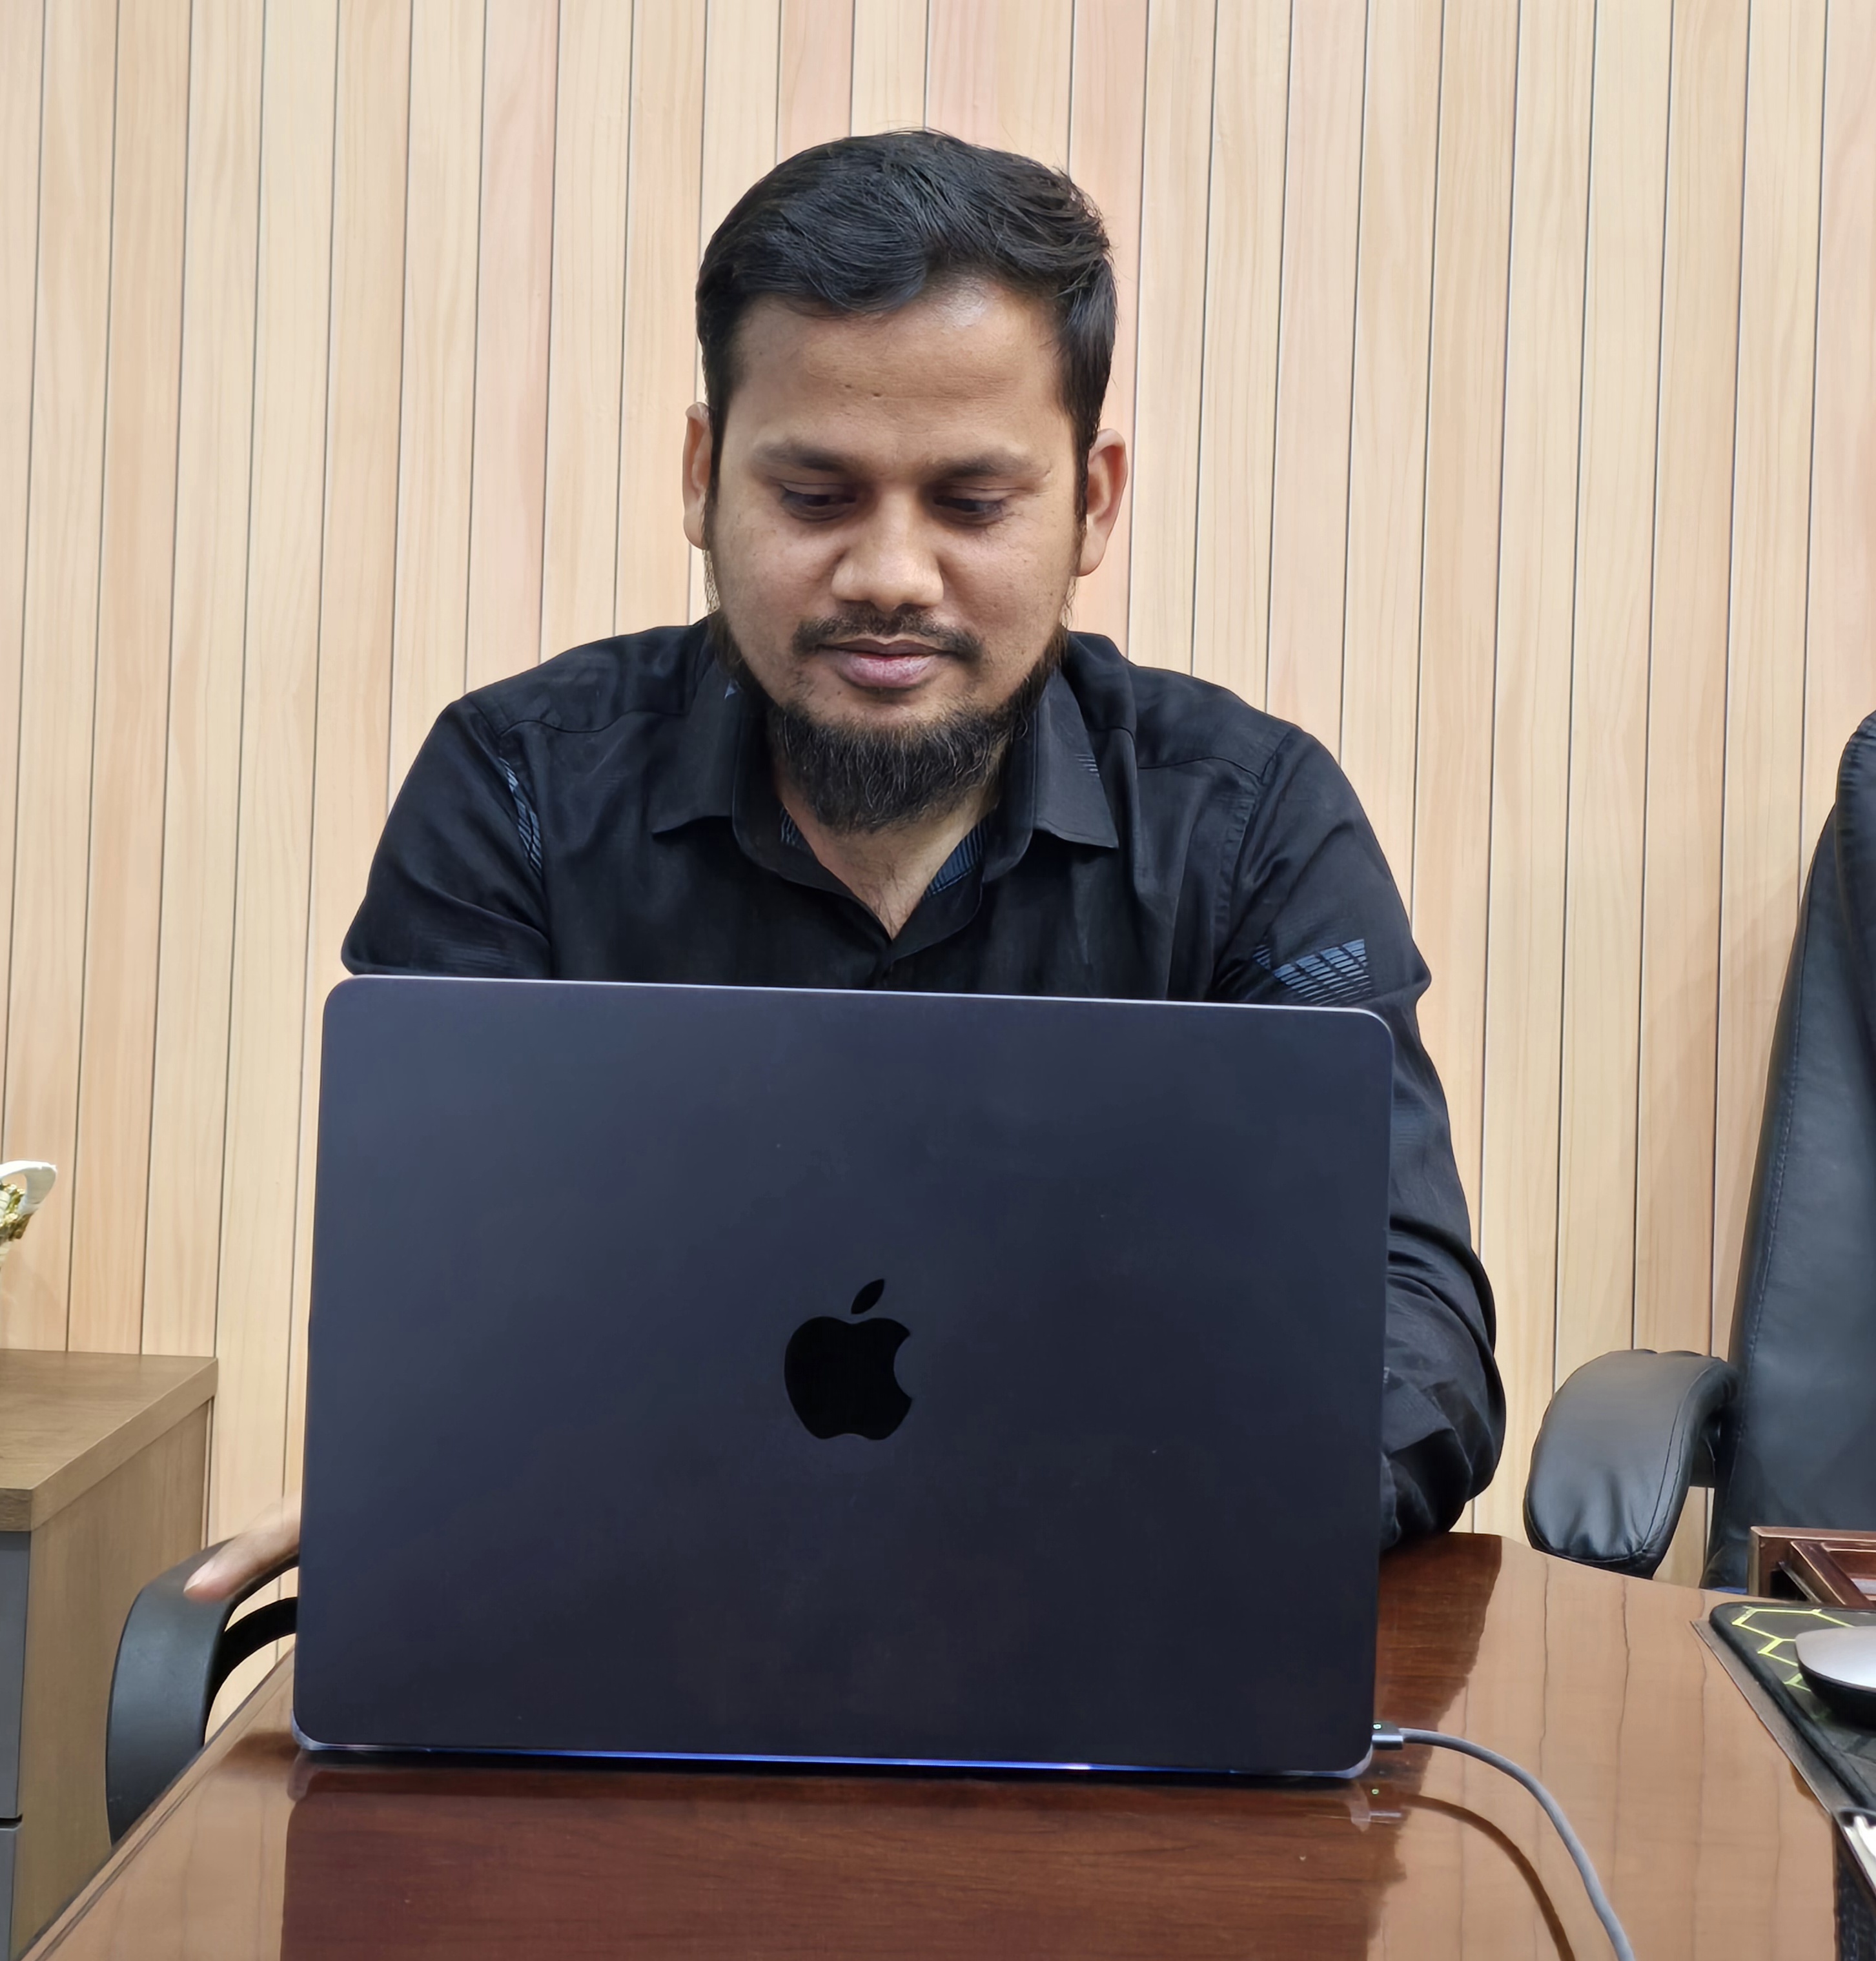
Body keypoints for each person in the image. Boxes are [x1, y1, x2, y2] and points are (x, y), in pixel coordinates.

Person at [190, 130, 1503, 1607]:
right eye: (816, 496)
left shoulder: (1251, 826)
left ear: (1094, 501)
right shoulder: (516, 797)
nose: (888, 574)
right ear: (704, 477)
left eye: (972, 503)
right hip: (631, 1617)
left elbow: (1406, 1325)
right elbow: (437, 1322)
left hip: (1117, 1610)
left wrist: (1082, 1515)